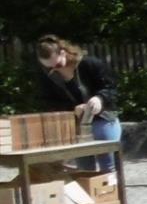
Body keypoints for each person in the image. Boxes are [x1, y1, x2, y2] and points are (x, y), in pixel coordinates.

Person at [33, 35, 120, 171]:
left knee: (108, 166)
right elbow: (48, 102)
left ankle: (111, 190)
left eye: (57, 65)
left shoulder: (90, 64)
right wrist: (72, 109)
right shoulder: (47, 76)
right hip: (74, 125)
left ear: (63, 52)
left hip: (103, 118)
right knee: (84, 170)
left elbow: (111, 88)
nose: (54, 70)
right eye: (48, 68)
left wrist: (99, 98)